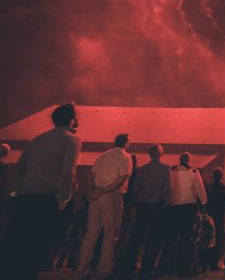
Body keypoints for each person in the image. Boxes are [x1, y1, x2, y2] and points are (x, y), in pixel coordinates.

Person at [3, 104, 80, 280]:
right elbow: (68, 172)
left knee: (16, 248)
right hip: (46, 199)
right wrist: (64, 198)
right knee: (37, 249)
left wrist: (20, 190)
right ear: (71, 120)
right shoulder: (72, 140)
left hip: (24, 199)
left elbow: (20, 168)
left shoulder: (37, 139)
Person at [77, 133, 133, 279]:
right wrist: (103, 191)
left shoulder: (102, 155)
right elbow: (121, 179)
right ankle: (104, 271)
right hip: (112, 197)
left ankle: (81, 270)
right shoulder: (125, 157)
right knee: (110, 235)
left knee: (91, 235)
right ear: (126, 143)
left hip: (95, 197)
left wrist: (92, 192)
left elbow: (91, 175)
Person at [123, 144, 170, 279]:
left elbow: (135, 189)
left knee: (136, 237)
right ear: (161, 154)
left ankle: (128, 267)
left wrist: (140, 200)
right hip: (157, 206)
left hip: (142, 206)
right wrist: (166, 203)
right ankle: (147, 268)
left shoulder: (141, 170)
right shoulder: (165, 169)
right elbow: (167, 189)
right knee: (154, 239)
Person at [168, 152, 208, 276]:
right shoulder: (194, 172)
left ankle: (173, 265)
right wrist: (204, 203)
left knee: (174, 237)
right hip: (188, 207)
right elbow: (200, 190)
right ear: (189, 160)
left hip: (174, 207)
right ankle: (184, 268)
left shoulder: (172, 172)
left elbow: (168, 188)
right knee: (186, 238)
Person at [207, 167, 225, 270]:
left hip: (212, 214)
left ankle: (210, 260)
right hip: (220, 215)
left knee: (212, 237)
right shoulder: (223, 187)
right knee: (220, 238)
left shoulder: (210, 186)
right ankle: (217, 261)